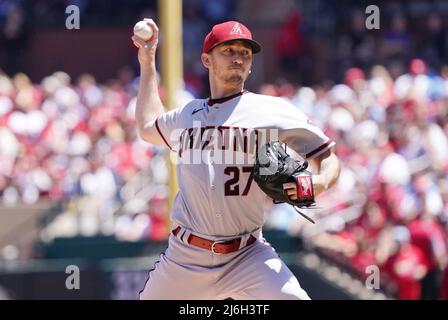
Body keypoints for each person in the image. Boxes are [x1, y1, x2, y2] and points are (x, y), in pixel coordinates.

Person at [133, 19, 341, 300]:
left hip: (248, 255)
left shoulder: (271, 110)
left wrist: (320, 182)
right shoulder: (186, 115)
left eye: (244, 53)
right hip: (186, 258)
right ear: (207, 59)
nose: (238, 58)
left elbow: (327, 156)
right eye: (228, 50)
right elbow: (147, 126)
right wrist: (147, 62)